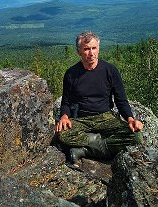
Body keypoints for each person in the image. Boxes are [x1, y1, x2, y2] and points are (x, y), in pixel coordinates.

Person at [55, 31, 143, 164]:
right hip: (81, 119)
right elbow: (66, 101)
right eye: (86, 49)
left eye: (94, 48)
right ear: (79, 52)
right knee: (62, 134)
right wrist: (64, 117)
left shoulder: (110, 70)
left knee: (136, 136)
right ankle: (103, 143)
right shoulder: (71, 74)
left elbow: (121, 100)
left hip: (105, 117)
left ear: (98, 49)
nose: (91, 53)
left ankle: (86, 150)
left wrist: (130, 119)